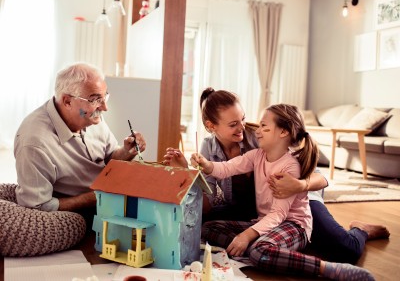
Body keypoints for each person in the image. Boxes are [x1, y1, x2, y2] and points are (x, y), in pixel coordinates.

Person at [164, 88, 389, 265]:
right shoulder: (208, 147)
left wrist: (298, 185)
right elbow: (207, 204)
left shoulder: (260, 137)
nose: (242, 126)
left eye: (242, 119)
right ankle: (267, 248)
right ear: (211, 126)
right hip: (254, 208)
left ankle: (360, 229)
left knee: (345, 249)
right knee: (203, 223)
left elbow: (321, 179)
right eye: (233, 124)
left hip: (297, 201)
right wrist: (188, 172)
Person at [14, 62, 146, 226]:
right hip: (82, 215)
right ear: (68, 101)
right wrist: (95, 197)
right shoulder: (34, 143)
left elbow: (110, 157)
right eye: (96, 99)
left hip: (109, 197)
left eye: (105, 97)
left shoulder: (90, 117)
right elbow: (38, 207)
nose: (104, 107)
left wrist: (127, 151)